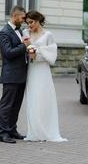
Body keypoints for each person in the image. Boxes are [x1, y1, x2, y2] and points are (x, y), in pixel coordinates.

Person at [24, 10, 67, 142]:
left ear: (37, 21)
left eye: (31, 22)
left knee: (43, 99)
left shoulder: (48, 35)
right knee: (33, 99)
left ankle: (47, 131)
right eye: (27, 23)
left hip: (43, 71)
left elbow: (52, 55)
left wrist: (37, 52)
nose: (29, 25)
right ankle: (34, 132)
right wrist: (29, 49)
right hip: (31, 70)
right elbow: (25, 51)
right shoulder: (26, 34)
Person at [0, 5, 30, 144]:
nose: (24, 21)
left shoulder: (21, 31)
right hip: (10, 75)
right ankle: (3, 133)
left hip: (21, 74)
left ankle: (12, 130)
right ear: (15, 16)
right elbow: (8, 53)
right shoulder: (4, 32)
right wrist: (24, 46)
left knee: (16, 105)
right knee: (7, 105)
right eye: (22, 18)